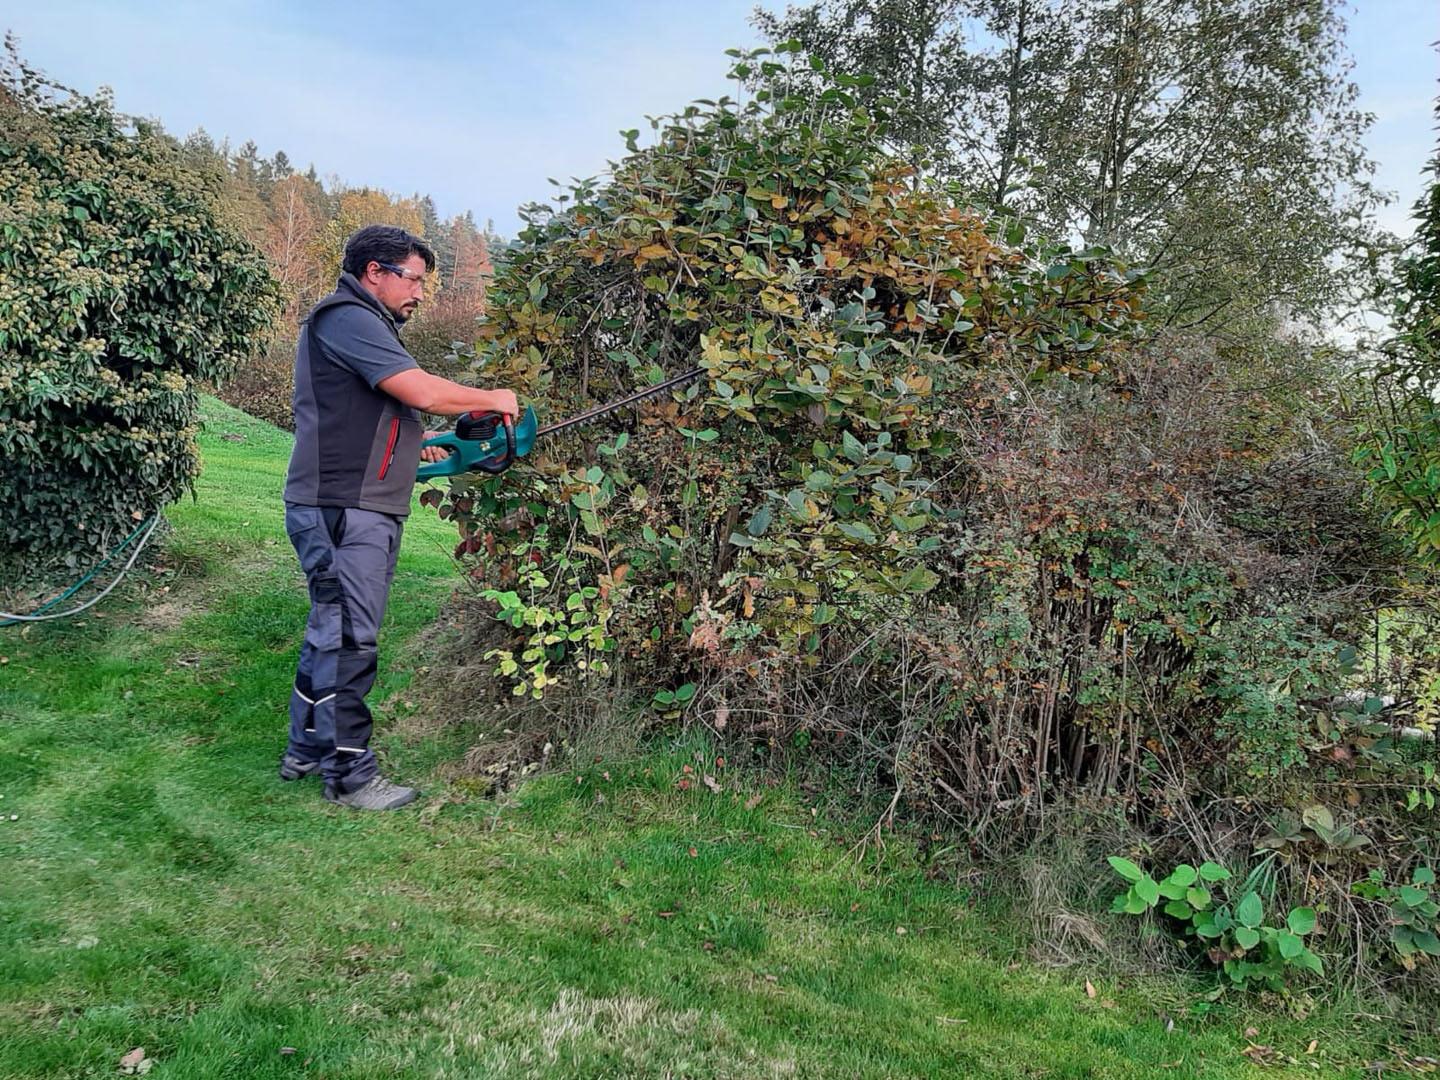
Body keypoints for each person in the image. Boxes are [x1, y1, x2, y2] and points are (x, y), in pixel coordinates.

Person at [278, 225, 517, 810]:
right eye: (413, 279)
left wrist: (422, 441)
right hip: (343, 507)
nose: (419, 293)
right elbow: (419, 390)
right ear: (374, 273)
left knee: (329, 628)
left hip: (356, 503)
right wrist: (493, 398)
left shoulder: (364, 323)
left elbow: (382, 413)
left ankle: (305, 748)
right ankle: (351, 776)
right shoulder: (346, 317)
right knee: (351, 637)